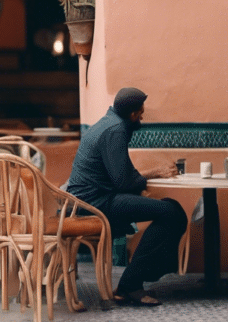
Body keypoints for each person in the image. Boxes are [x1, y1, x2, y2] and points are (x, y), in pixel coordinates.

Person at [66, 87, 187, 306]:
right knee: (170, 213)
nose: (141, 117)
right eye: (140, 113)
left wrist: (150, 175)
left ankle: (136, 280)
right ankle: (131, 285)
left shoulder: (108, 123)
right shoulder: (116, 130)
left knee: (172, 208)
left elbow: (120, 176)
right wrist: (150, 176)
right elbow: (123, 182)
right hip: (94, 204)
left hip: (94, 199)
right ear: (132, 114)